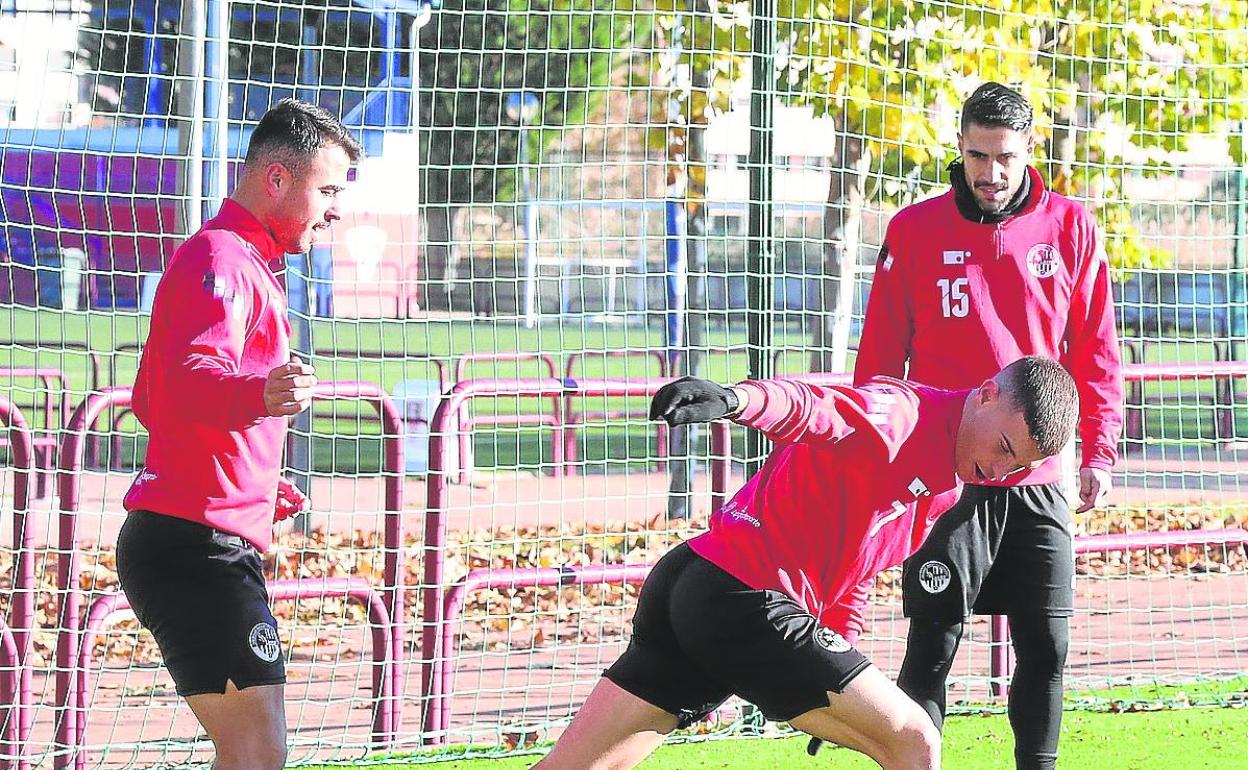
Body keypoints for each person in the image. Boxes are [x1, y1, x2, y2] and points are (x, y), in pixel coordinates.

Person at [533, 356, 1079, 770]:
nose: (1002, 472)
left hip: (696, 586)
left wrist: (838, 659)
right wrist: (734, 401)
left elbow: (855, 569)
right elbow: (814, 406)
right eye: (1006, 447)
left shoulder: (945, 488)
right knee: (916, 739)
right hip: (741, 599)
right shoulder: (902, 416)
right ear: (985, 395)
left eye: (1020, 466)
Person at [853, 82, 1124, 770]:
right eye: (978, 155)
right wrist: (870, 454)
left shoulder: (1070, 229)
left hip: (1040, 479)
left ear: (1029, 151)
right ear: (961, 147)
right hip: (943, 479)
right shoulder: (912, 231)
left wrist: (1101, 450)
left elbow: (1095, 348)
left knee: (1049, 645)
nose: (990, 173)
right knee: (933, 643)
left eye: (1004, 157)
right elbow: (881, 357)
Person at [115, 98, 362, 770]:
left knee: (256, 748)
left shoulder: (242, 262)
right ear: (277, 179)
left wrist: (246, 473)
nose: (335, 208)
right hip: (194, 546)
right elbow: (193, 374)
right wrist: (258, 395)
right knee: (257, 749)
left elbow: (151, 398)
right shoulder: (222, 259)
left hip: (196, 535)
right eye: (329, 188)